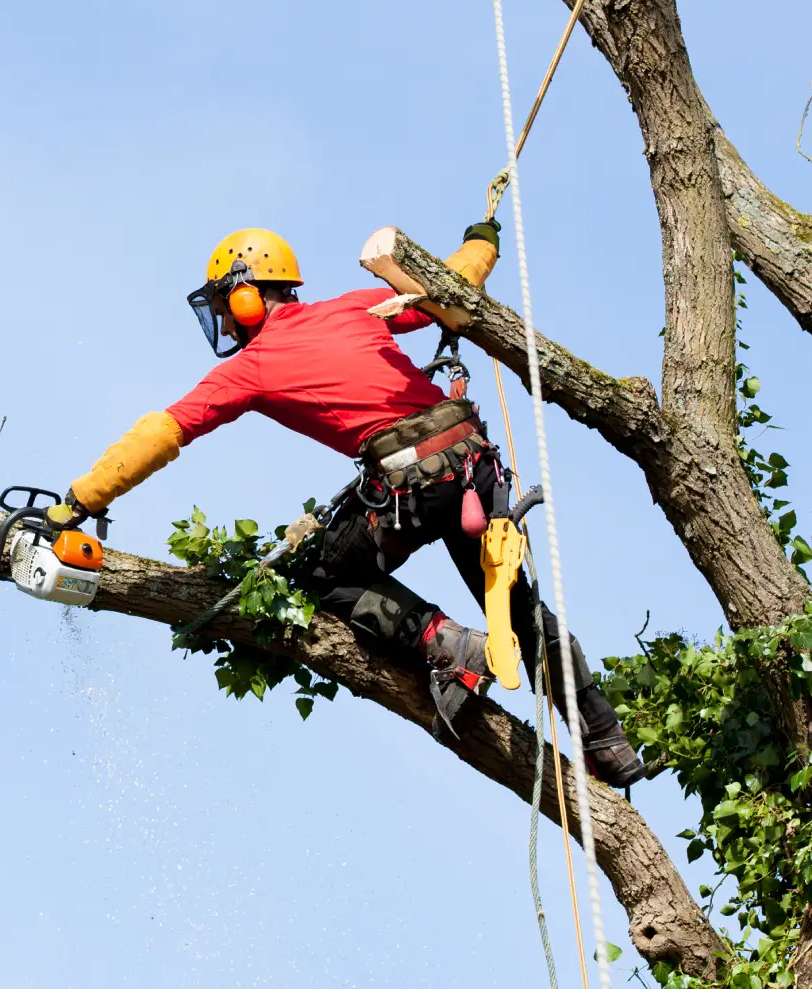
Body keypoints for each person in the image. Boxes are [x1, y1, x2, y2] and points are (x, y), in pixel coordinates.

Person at [48, 226, 644, 787]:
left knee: (324, 579)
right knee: (517, 609)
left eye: (226, 307)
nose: (227, 325)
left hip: (411, 486)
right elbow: (450, 283)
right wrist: (479, 242)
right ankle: (608, 741)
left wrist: (78, 500)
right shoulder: (355, 307)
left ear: (246, 294)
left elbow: (162, 432)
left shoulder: (250, 368)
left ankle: (449, 644)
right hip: (471, 467)